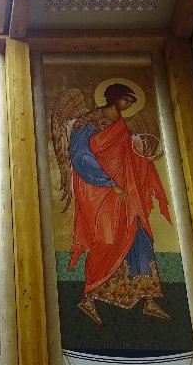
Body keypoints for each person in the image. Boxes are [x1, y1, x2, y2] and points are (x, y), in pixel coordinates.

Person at [67, 82, 172, 326]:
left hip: (126, 193)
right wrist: (108, 182)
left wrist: (145, 156)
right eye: (126, 99)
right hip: (100, 192)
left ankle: (148, 299)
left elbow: (128, 157)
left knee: (139, 236)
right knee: (106, 240)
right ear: (114, 97)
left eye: (132, 101)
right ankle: (88, 299)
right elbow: (80, 156)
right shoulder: (87, 122)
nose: (129, 104)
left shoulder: (122, 125)